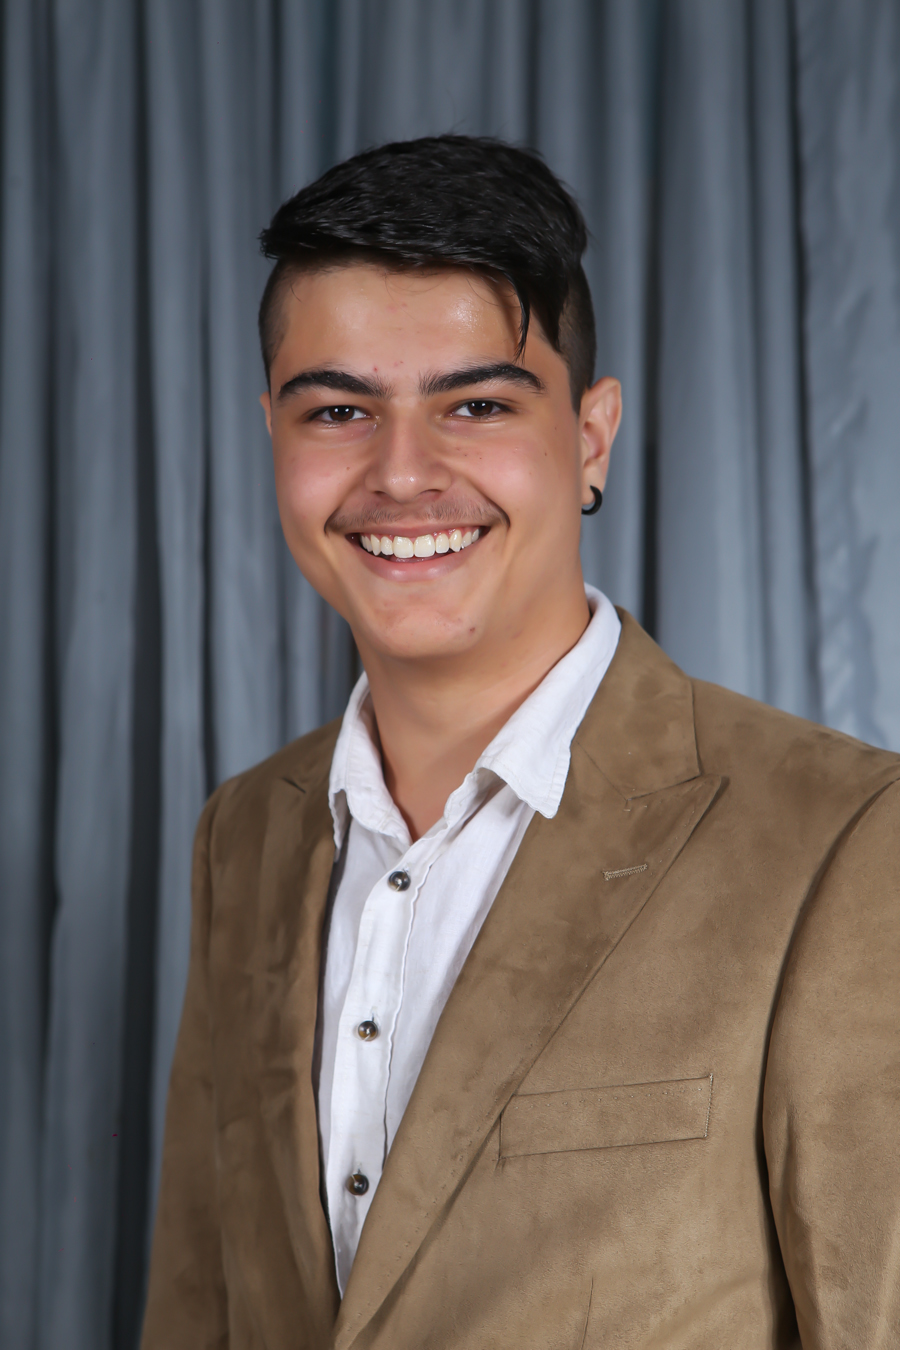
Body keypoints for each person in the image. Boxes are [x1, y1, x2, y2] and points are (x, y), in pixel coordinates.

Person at [140, 136, 900, 1350]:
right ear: (273, 436)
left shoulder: (843, 838)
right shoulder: (244, 835)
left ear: (590, 438)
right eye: (339, 410)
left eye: (477, 406)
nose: (403, 474)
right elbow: (197, 1311)